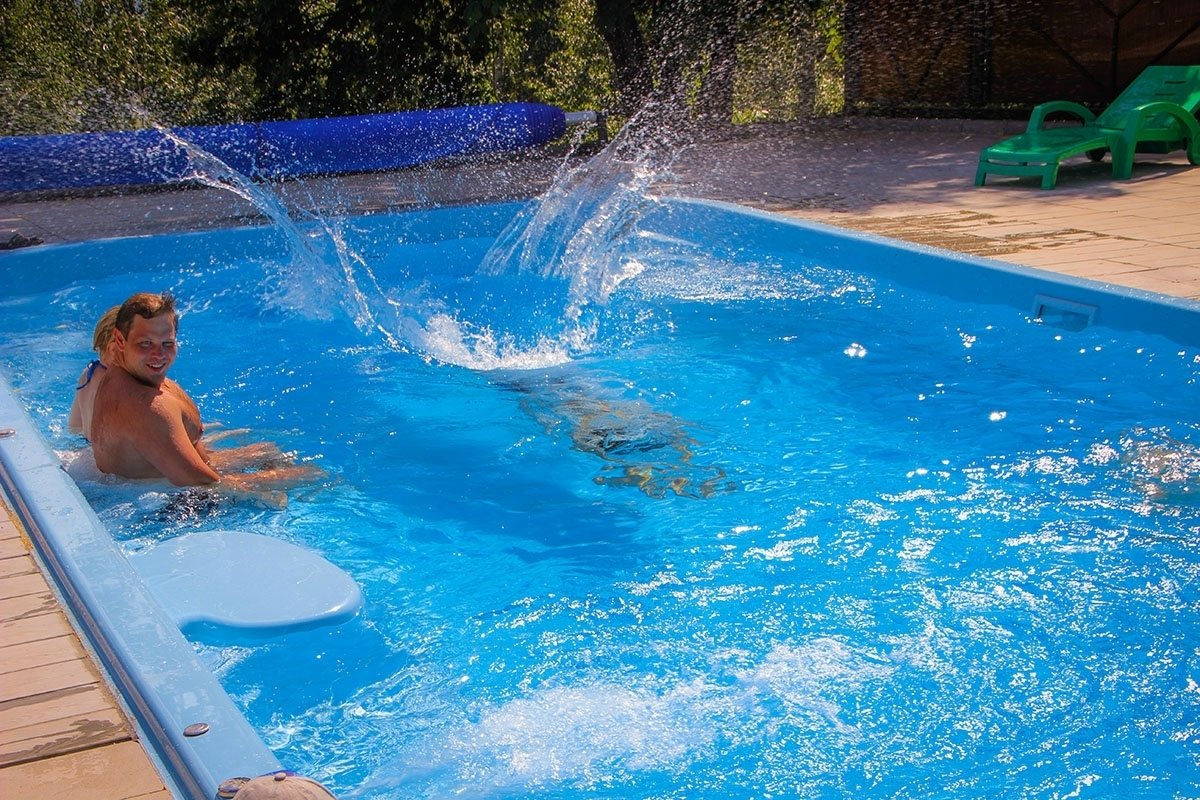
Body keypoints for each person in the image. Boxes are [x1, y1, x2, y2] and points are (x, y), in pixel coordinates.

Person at [89, 291, 322, 502]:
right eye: (145, 343)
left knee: (268, 451)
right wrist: (272, 488)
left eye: (167, 343)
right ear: (120, 340)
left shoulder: (124, 375)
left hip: (173, 471)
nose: (158, 354)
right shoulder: (145, 409)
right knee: (314, 475)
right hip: (172, 502)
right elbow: (205, 485)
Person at [68, 305, 120, 438]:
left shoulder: (88, 373)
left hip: (83, 445)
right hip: (99, 451)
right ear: (113, 349)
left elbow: (74, 427)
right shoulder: (117, 384)